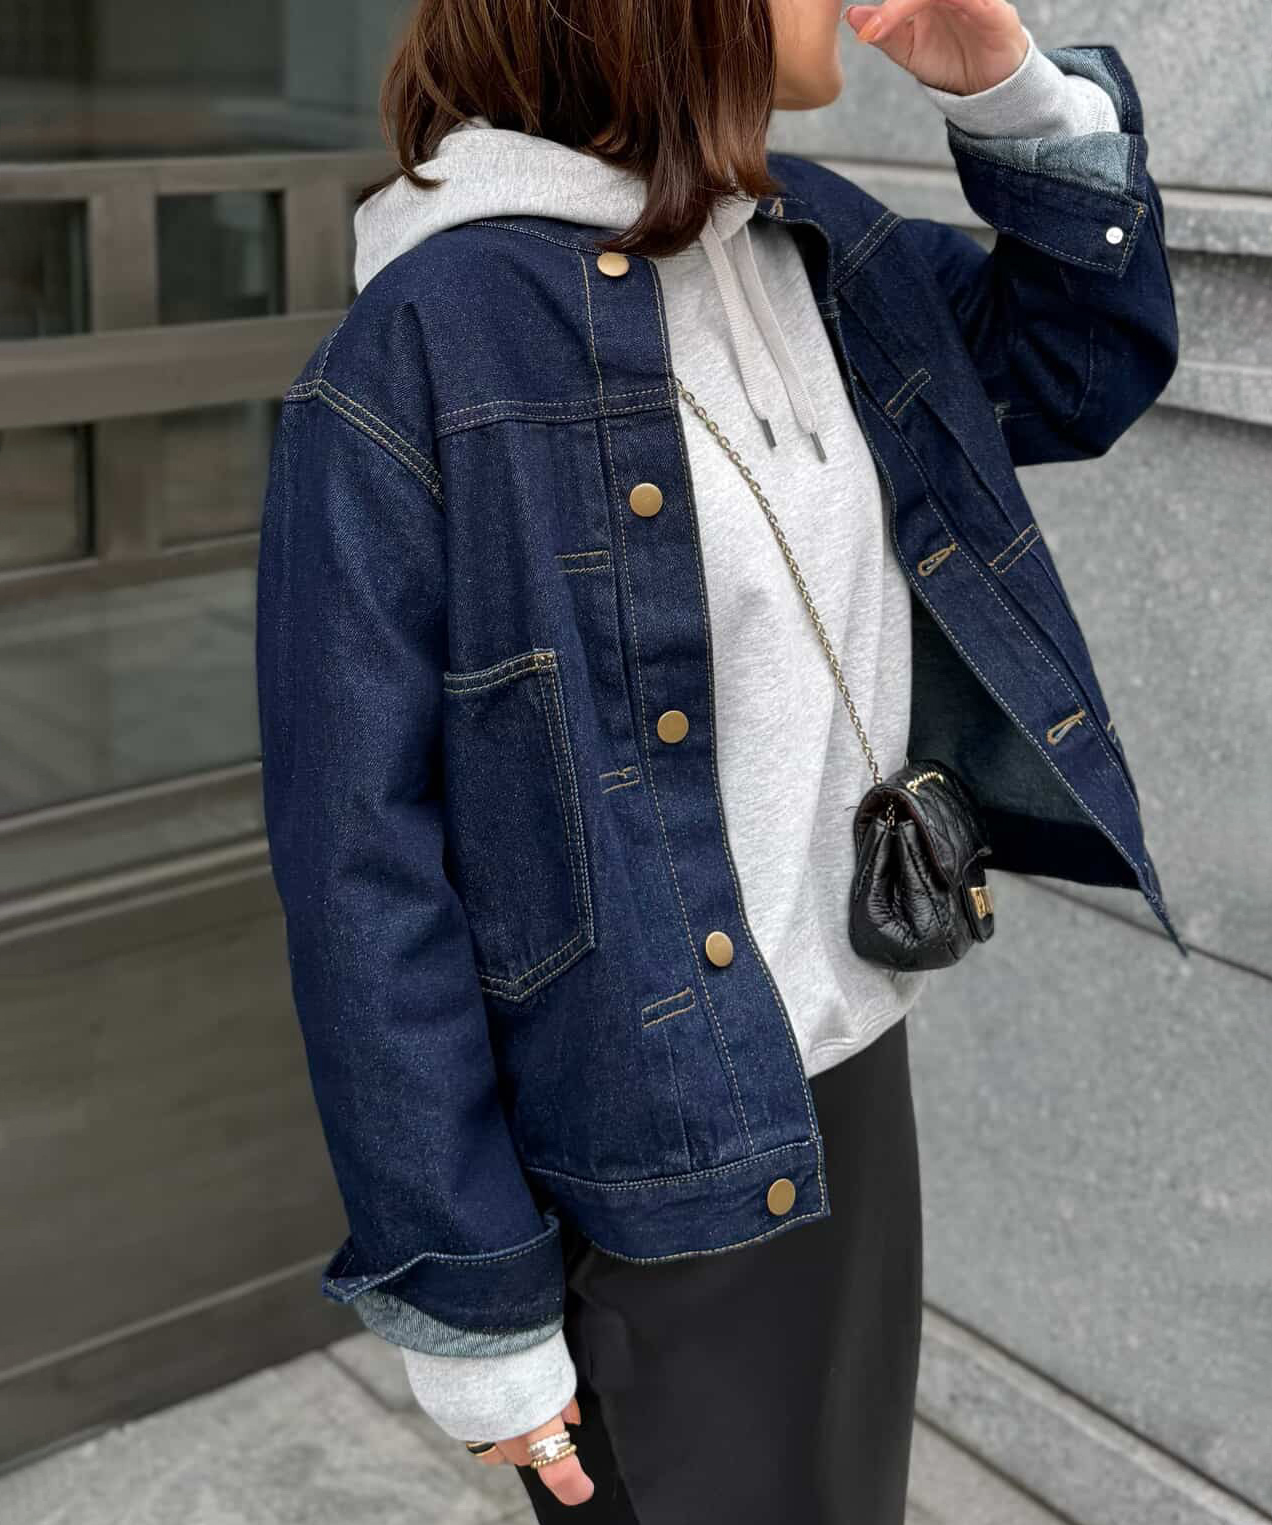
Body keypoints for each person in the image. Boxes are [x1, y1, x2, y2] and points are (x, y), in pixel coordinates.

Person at [254, 0, 1181, 1518]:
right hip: (638, 1151)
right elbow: (362, 865)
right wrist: (475, 1300)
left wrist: (1010, 94)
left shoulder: (814, 247)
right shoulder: (423, 350)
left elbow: (1082, 367)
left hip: (848, 1072)